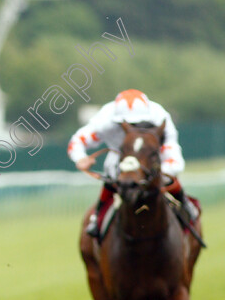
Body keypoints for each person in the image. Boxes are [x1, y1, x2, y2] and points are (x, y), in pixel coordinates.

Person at [69, 89, 196, 237]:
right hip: (119, 156)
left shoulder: (160, 117)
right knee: (112, 171)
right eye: (127, 123)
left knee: (167, 176)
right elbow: (77, 141)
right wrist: (80, 158)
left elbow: (173, 154)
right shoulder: (104, 120)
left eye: (136, 123)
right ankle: (98, 217)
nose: (133, 128)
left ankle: (185, 205)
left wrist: (163, 173)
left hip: (151, 158)